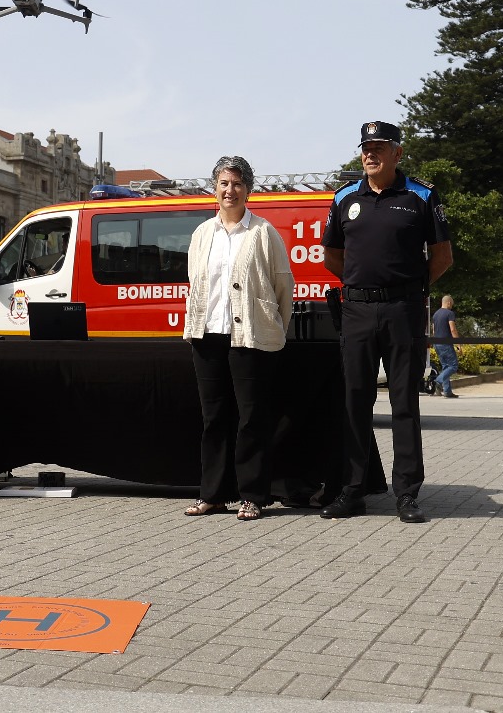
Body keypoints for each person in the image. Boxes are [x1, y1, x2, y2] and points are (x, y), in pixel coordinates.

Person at [320, 121, 452, 524]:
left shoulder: (421, 195)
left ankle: (408, 494)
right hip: (357, 311)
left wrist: (406, 289)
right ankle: (353, 491)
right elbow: (332, 257)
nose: (370, 154)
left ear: (397, 152)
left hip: (403, 312)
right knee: (355, 403)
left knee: (404, 405)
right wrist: (364, 287)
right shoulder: (344, 197)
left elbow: (442, 256)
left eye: (379, 147)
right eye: (366, 147)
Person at [180, 155, 294, 521]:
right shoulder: (202, 234)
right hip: (207, 336)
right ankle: (212, 495)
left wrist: (271, 328)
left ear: (248, 189)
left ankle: (253, 496)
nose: (230, 190)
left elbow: (282, 288)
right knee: (213, 419)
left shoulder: (263, 232)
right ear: (214, 189)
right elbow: (195, 284)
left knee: (251, 419)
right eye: (224, 183)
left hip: (250, 339)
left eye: (237, 183)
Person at [431, 295, 460, 399]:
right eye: (451, 304)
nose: (452, 306)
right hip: (446, 343)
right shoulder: (449, 313)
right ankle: (438, 381)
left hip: (436, 343)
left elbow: (433, 330)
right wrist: (458, 344)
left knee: (445, 367)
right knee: (453, 366)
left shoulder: (435, 314)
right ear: (448, 303)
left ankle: (447, 392)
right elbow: (452, 329)